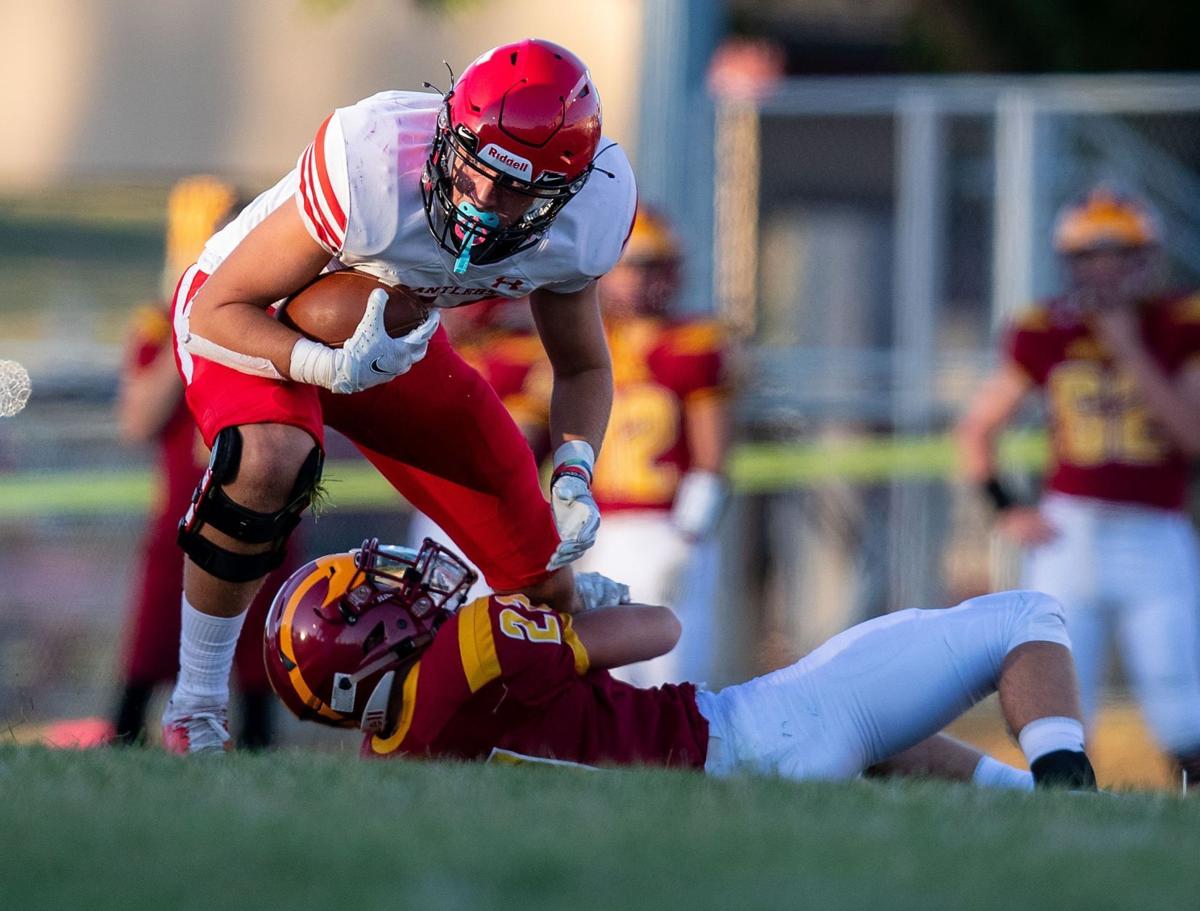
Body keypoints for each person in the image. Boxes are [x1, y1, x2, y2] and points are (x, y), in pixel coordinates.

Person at [162, 39, 636, 752]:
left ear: (565, 192)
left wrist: (573, 470)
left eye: (513, 191)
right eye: (475, 169)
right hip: (255, 315)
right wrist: (321, 368)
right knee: (265, 458)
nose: (480, 201)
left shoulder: (585, 223)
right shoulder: (374, 164)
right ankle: (195, 707)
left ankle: (560, 740)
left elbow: (582, 368)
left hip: (394, 341)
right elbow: (214, 310)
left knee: (543, 584)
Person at [263, 537, 1098, 791]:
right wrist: (571, 598)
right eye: (383, 591)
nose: (407, 586)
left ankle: (1022, 802)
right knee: (1025, 616)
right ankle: (1066, 798)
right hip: (744, 734)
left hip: (727, 789)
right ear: (367, 639)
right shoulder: (468, 649)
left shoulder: (392, 761)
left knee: (879, 734)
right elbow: (657, 628)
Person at [957, 184, 1200, 788]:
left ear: (1149, 258)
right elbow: (978, 428)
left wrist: (1129, 349)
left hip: (1154, 530)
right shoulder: (1046, 328)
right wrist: (1005, 507)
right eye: (1092, 255)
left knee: (1178, 689)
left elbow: (1191, 435)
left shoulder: (1179, 323)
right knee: (1059, 685)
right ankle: (1061, 805)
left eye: (1120, 253)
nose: (1106, 269)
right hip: (1070, 532)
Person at [461, 208, 731, 686]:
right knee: (604, 657)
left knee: (675, 662)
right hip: (593, 524)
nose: (642, 281)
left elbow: (712, 455)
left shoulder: (690, 343)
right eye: (633, 267)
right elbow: (534, 431)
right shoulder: (581, 342)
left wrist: (689, 532)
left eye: (652, 267)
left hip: (663, 521)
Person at [113, 176, 296, 748]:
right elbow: (138, 420)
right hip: (177, 528)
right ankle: (126, 742)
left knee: (257, 670)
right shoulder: (157, 323)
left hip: (260, 517)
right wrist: (193, 315)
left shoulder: (275, 314)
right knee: (146, 661)